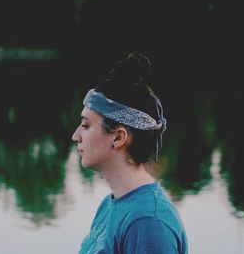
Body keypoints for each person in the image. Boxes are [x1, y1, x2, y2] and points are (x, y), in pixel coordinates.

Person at [72, 52, 188, 254]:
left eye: (85, 125)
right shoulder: (111, 205)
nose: (76, 136)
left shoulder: (148, 223)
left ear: (118, 137)